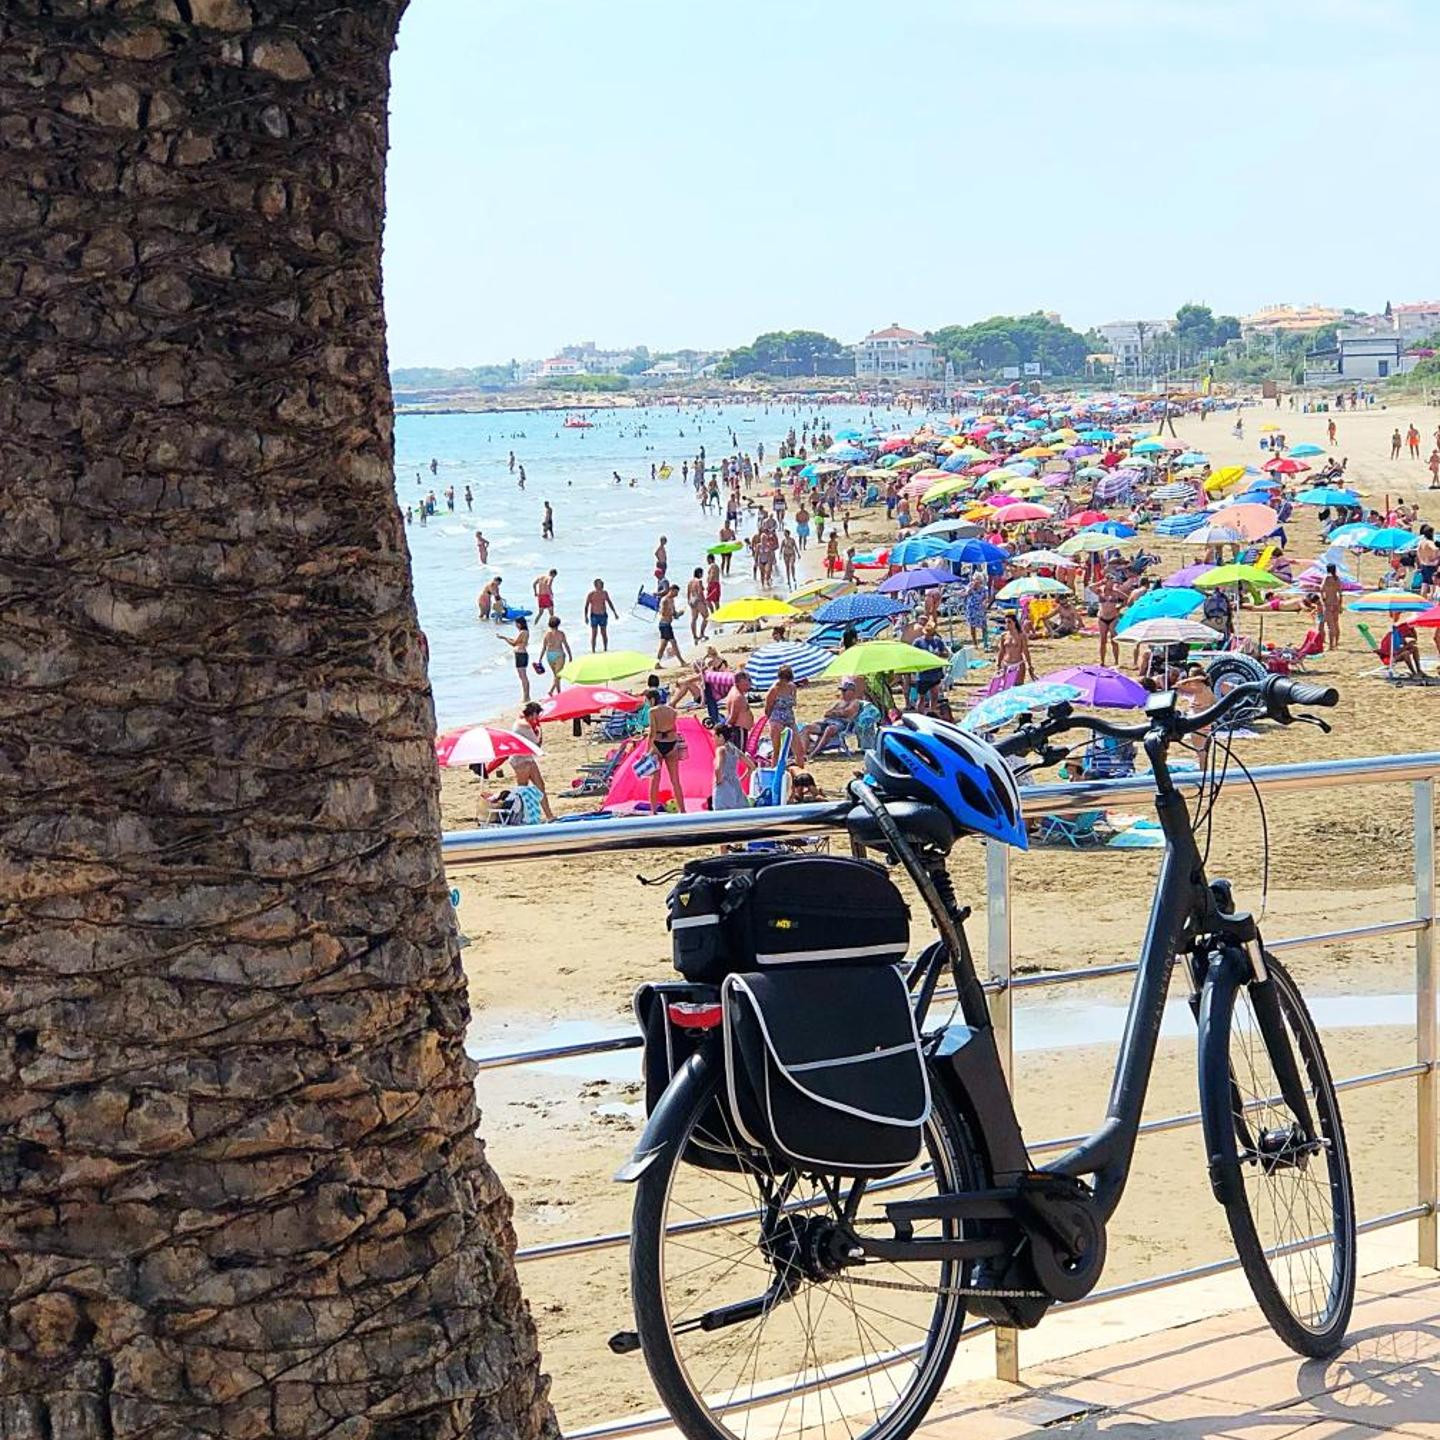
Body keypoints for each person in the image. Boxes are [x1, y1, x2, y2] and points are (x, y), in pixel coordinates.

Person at [510, 702, 554, 821]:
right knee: (523, 790)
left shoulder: (521, 722)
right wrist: (540, 731)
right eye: (537, 715)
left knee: (540, 786)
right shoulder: (525, 725)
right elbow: (536, 744)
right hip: (520, 761)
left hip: (526, 759)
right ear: (533, 714)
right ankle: (521, 817)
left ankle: (549, 815)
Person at [645, 688, 687, 814]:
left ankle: (653, 811)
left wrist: (647, 751)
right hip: (671, 744)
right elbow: (674, 728)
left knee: (654, 780)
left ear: (652, 700)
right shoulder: (672, 711)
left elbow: (652, 733)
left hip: (657, 744)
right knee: (675, 780)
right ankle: (682, 810)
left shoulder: (652, 711)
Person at [801, 679, 862, 754]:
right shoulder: (840, 702)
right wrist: (836, 712)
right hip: (828, 721)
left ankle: (814, 752)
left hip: (843, 725)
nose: (842, 693)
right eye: (842, 691)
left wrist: (836, 713)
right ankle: (803, 753)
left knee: (829, 729)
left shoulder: (855, 702)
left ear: (851, 692)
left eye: (844, 691)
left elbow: (846, 713)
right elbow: (827, 713)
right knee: (807, 728)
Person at [763, 664, 804, 763]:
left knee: (799, 749)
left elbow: (793, 702)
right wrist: (770, 722)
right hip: (776, 718)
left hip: (789, 718)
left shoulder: (792, 687)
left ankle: (801, 769)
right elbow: (768, 708)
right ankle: (774, 771)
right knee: (777, 751)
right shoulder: (774, 689)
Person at [711, 725, 751, 810]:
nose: (713, 739)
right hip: (735, 786)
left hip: (723, 788)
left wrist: (718, 781)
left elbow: (718, 768)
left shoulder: (721, 750)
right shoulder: (734, 749)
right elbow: (751, 766)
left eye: (714, 736)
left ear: (721, 736)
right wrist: (741, 779)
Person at [995, 613, 1034, 681]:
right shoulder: (1003, 636)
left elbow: (1025, 651)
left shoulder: (1021, 636)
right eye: (1006, 622)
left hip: (1018, 663)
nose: (1007, 624)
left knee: (1018, 687)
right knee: (1006, 687)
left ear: (1015, 623)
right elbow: (1001, 651)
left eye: (1009, 622)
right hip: (1006, 664)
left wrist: (1029, 665)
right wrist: (998, 664)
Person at [1095, 575, 1124, 666]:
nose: (1111, 585)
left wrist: (1120, 607)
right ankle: (1102, 661)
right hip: (1102, 618)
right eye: (1109, 582)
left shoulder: (1116, 593)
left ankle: (1116, 661)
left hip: (1113, 618)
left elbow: (1127, 598)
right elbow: (1090, 587)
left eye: (1112, 583)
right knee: (1103, 640)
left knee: (1114, 639)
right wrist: (1100, 582)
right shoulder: (1100, 591)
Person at [503, 617, 533, 703]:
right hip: (522, 654)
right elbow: (517, 642)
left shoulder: (522, 632)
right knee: (523, 676)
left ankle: (526, 696)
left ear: (519, 624)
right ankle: (526, 696)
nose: (516, 625)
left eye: (516, 624)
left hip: (520, 655)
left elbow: (514, 644)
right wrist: (508, 638)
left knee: (523, 677)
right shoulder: (525, 632)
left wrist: (505, 638)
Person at [541, 616, 571, 695]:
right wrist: (570, 655)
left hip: (549, 655)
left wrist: (540, 659)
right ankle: (553, 692)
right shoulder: (561, 634)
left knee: (556, 676)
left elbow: (544, 648)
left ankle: (558, 693)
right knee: (558, 676)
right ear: (558, 624)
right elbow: (566, 645)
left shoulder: (547, 634)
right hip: (559, 654)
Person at [586, 577, 618, 652]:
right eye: (600, 583)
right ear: (596, 585)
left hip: (603, 615)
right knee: (594, 634)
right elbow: (586, 606)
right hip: (594, 615)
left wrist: (615, 613)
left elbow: (609, 603)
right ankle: (593, 650)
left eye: (602, 583)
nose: (602, 584)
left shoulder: (605, 593)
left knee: (604, 633)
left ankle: (605, 649)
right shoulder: (591, 594)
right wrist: (586, 617)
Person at [656, 583, 685, 665]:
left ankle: (656, 663)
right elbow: (664, 613)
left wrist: (679, 614)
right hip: (664, 624)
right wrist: (673, 614)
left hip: (667, 624)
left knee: (663, 646)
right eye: (675, 592)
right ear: (671, 591)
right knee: (673, 643)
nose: (676, 595)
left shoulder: (672, 600)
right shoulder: (665, 600)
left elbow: (674, 614)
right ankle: (682, 662)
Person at [686, 567, 709, 643]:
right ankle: (702, 633)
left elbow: (688, 593)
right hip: (698, 601)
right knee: (706, 616)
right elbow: (700, 593)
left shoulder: (690, 582)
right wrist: (704, 601)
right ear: (699, 574)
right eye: (702, 573)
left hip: (692, 600)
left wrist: (689, 601)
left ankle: (695, 636)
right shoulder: (699, 581)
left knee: (694, 619)